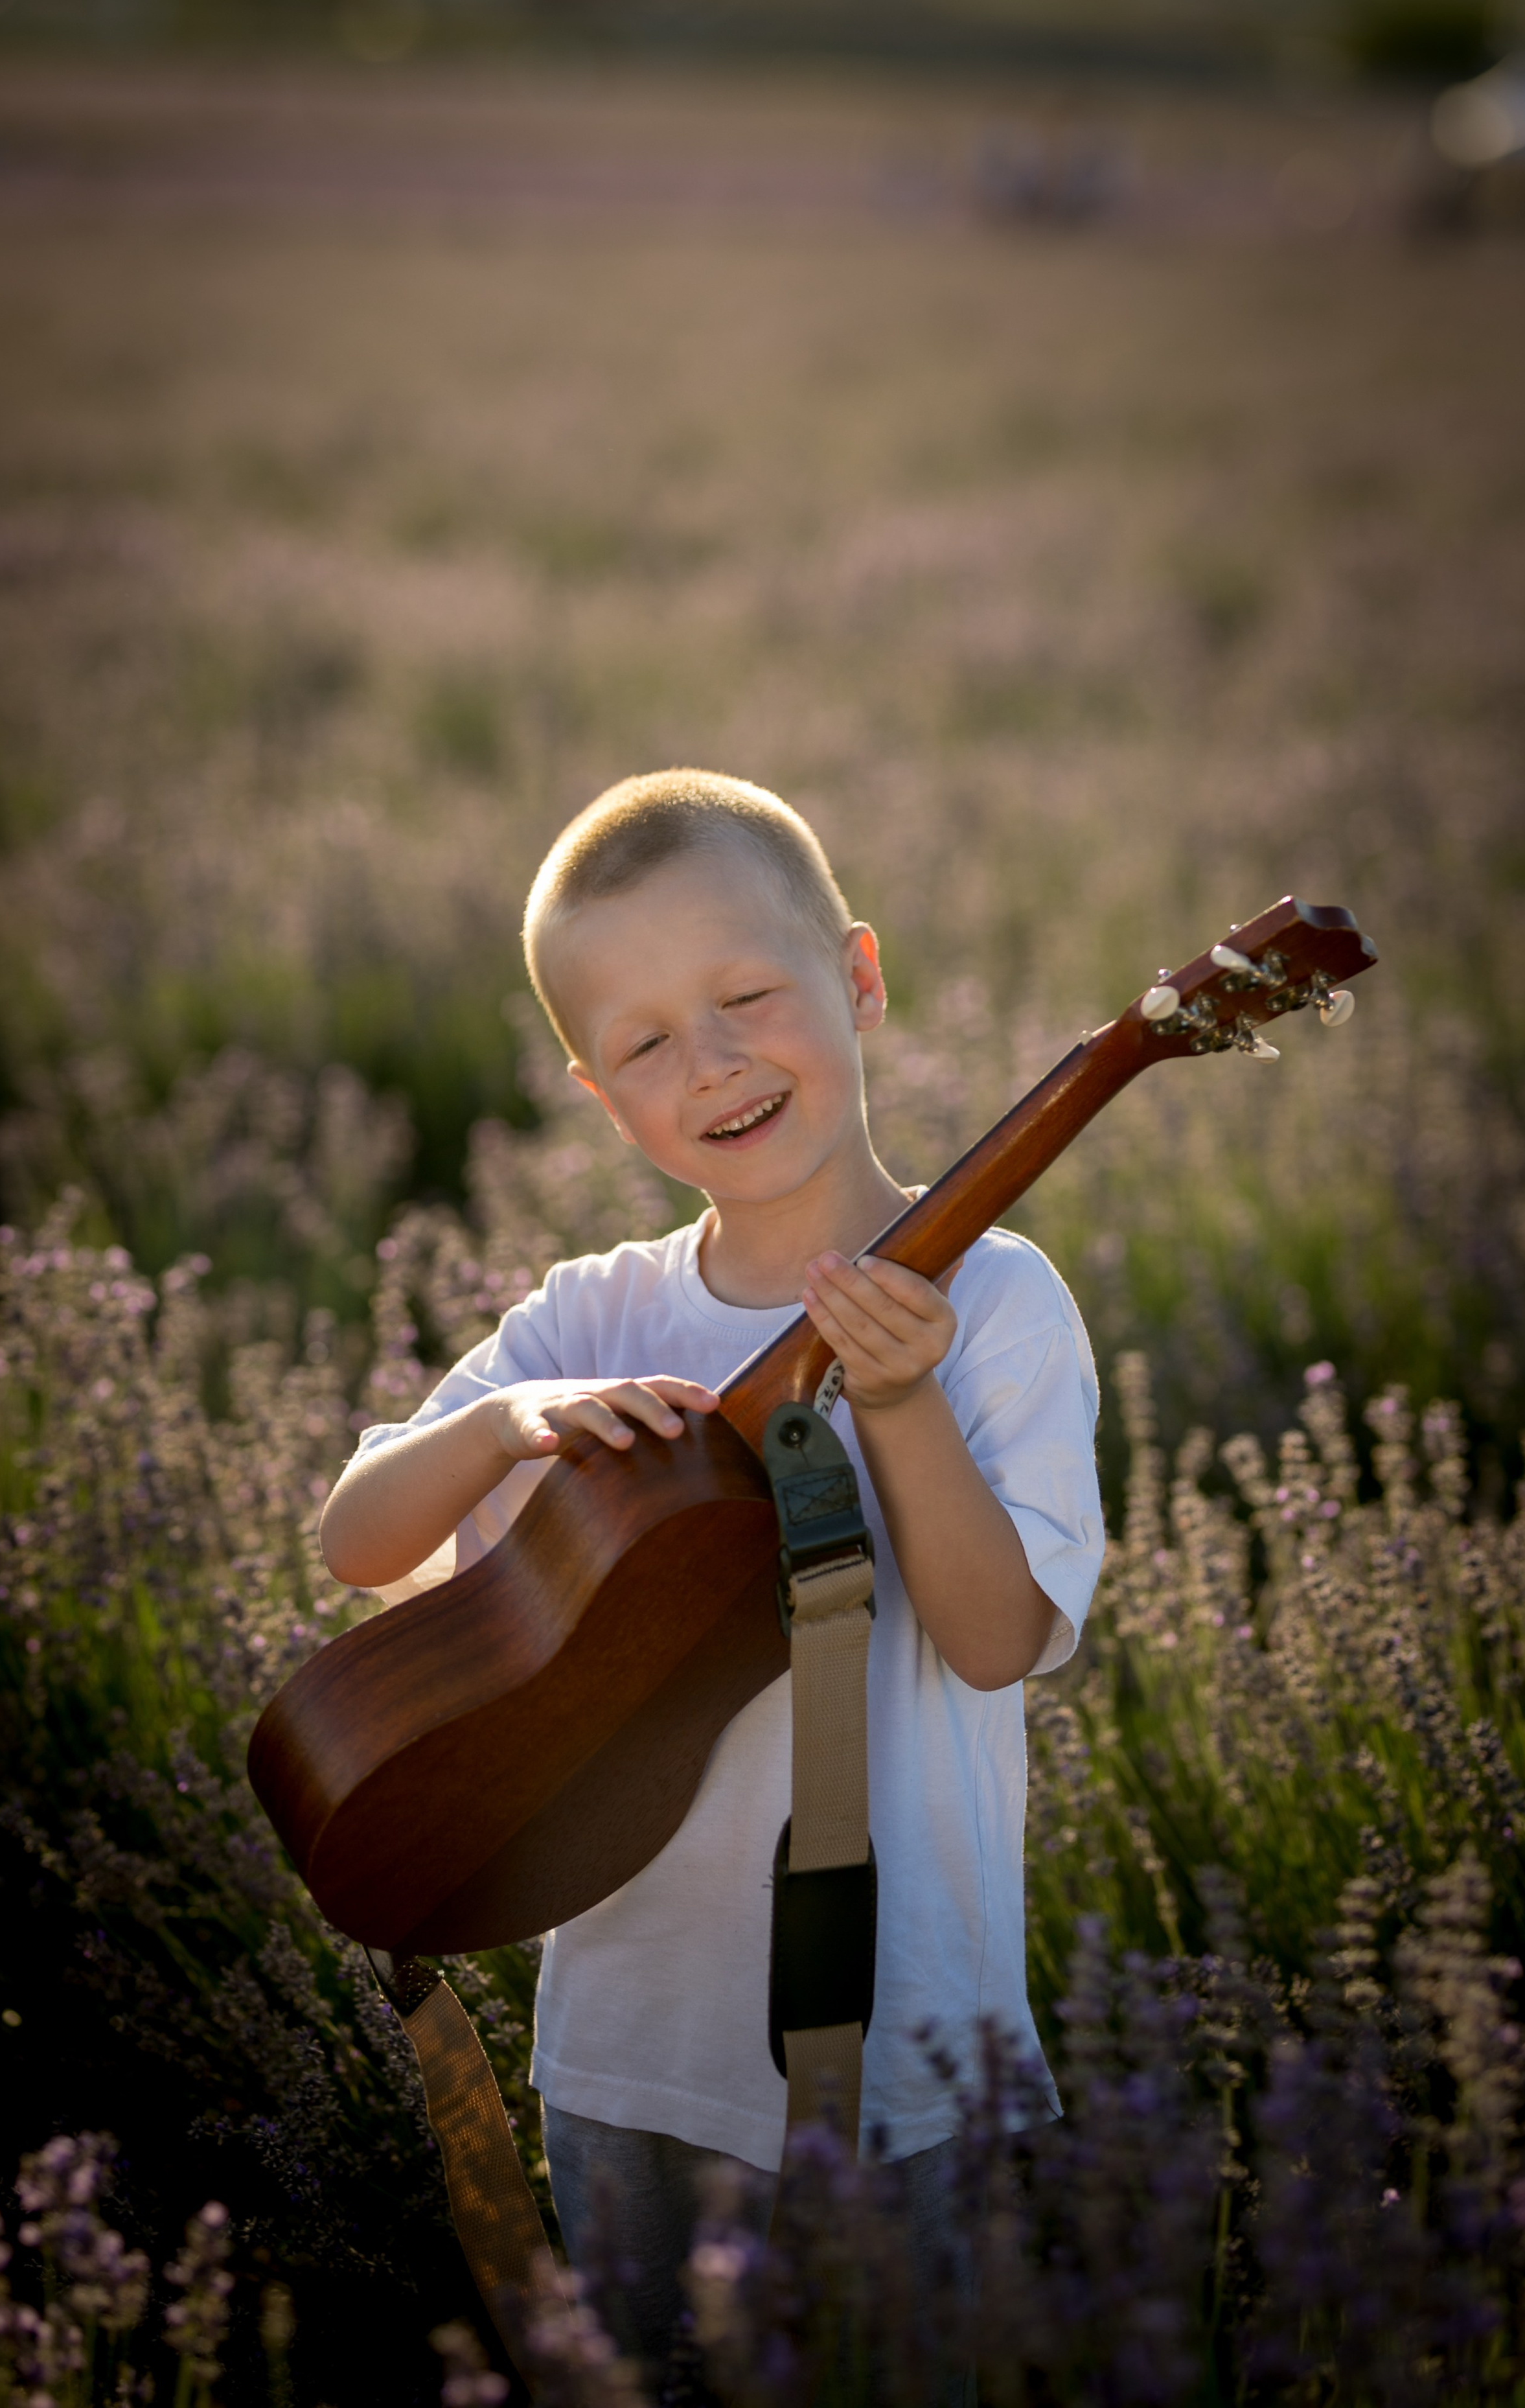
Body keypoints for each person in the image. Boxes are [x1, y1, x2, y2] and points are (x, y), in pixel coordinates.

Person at [319, 769, 1105, 2373]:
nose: (716, 1062)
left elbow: (993, 1640)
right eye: (647, 1043)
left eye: (749, 995)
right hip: (619, 2049)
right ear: (596, 1096)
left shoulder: (998, 1303)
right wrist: (501, 1426)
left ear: (860, 976)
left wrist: (897, 1407)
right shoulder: (593, 1315)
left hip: (900, 2059)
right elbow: (356, 1541)